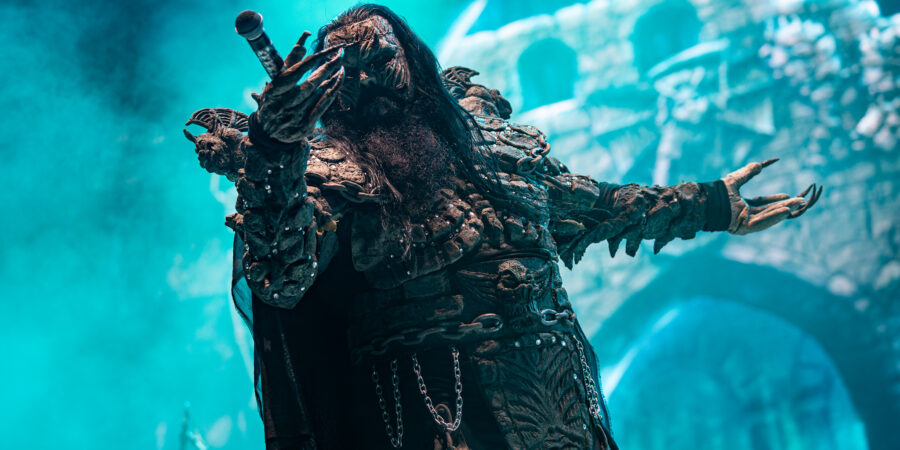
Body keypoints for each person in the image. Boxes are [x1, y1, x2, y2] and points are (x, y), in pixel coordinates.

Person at [183, 4, 821, 449]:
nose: (369, 76)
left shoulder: (496, 152)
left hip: (558, 404)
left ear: (414, 60)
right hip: (433, 417)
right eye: (349, 68)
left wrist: (711, 204)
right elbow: (281, 276)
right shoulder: (327, 174)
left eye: (380, 56)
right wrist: (274, 151)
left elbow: (596, 206)